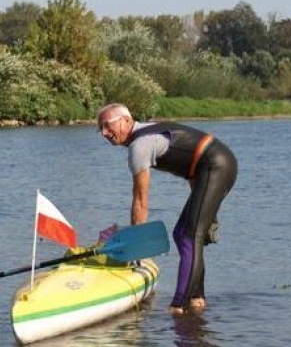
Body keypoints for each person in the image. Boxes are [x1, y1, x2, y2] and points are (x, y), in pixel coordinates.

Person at [96, 103, 238, 316]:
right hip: (213, 166)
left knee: (188, 236)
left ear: (126, 120)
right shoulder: (147, 133)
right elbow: (193, 162)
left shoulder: (140, 146)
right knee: (186, 234)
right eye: (101, 129)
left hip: (215, 166)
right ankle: (196, 300)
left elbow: (141, 200)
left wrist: (136, 243)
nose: (105, 134)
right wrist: (206, 213)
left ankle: (178, 305)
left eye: (108, 126)